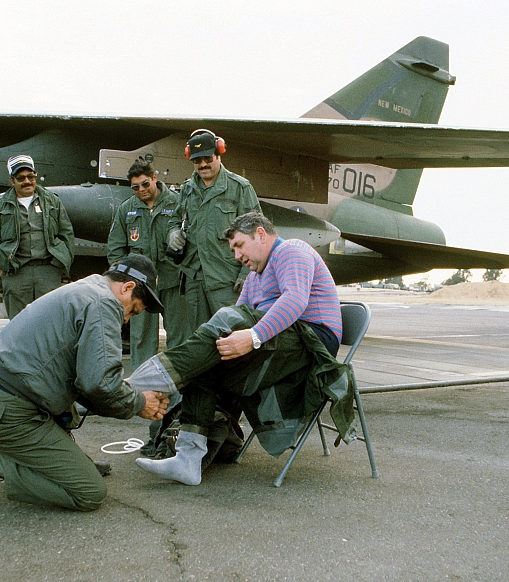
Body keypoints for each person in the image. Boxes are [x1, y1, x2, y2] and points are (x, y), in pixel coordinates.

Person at [136, 212, 348, 486]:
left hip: (312, 341)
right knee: (205, 364)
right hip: (282, 342)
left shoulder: (292, 251)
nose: (236, 256)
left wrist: (253, 337)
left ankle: (143, 382)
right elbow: (237, 316)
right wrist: (227, 344)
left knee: (226, 321)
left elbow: (295, 300)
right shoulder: (255, 275)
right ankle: (188, 460)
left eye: (239, 245)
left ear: (260, 234)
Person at [0, 254, 169, 510]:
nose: (126, 319)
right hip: (6, 409)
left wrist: (132, 396)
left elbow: (86, 377)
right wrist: (140, 403)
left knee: (71, 389)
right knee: (89, 493)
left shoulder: (86, 288)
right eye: (133, 310)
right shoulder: (104, 303)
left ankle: (68, 462)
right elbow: (100, 383)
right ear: (127, 287)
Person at [168, 129, 263, 327]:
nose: (203, 165)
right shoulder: (187, 189)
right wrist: (173, 233)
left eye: (207, 158)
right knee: (199, 339)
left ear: (218, 154)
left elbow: (258, 233)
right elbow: (175, 220)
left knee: (230, 335)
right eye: (197, 161)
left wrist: (247, 275)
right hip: (193, 279)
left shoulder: (240, 188)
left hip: (226, 281)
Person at [106, 159, 188, 368]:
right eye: (135, 187)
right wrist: (122, 281)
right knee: (141, 339)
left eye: (145, 184)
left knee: (179, 338)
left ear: (154, 178)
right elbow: (116, 247)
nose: (141, 190)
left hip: (172, 282)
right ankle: (142, 390)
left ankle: (178, 389)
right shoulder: (127, 209)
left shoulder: (177, 204)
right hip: (141, 287)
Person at [0, 155, 76, 319]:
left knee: (49, 323)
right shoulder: (0, 207)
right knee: (19, 326)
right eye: (21, 178)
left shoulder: (52, 201)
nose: (27, 181)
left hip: (48, 271)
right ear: (12, 181)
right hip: (16, 273)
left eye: (30, 176)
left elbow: (66, 233)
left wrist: (62, 263)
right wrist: (0, 267)